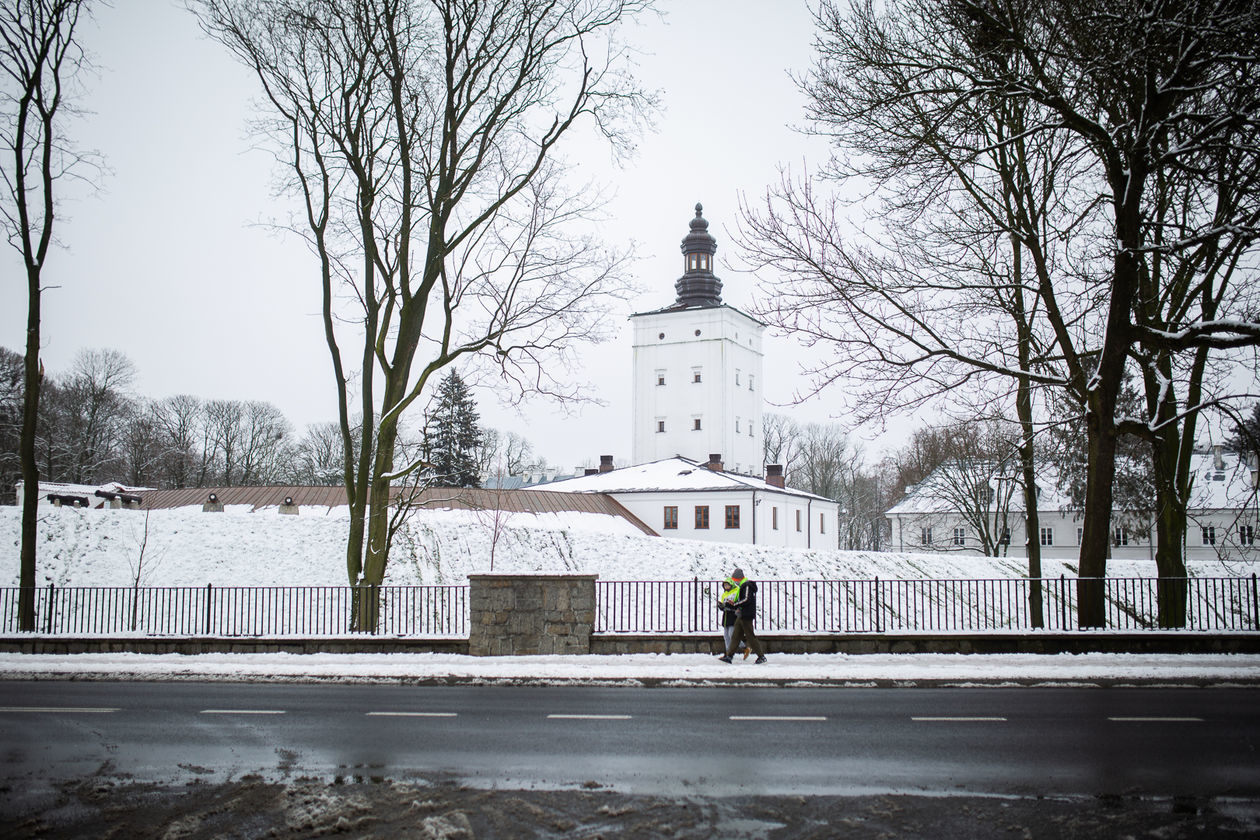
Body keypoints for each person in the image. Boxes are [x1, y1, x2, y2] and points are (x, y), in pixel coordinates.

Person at [719, 567, 766, 664]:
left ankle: (761, 656)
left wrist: (735, 604)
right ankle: (729, 656)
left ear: (738, 579)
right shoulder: (743, 586)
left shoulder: (746, 586)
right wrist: (733, 605)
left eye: (735, 580)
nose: (735, 582)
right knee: (735, 636)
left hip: (746, 615)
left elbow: (746, 600)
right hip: (740, 615)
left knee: (750, 636)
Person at [717, 580, 746, 656]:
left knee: (732, 634)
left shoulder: (736, 591)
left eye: (727, 585)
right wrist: (721, 606)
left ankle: (744, 647)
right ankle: (728, 652)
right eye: (725, 585)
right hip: (726, 616)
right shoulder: (724, 594)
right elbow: (724, 605)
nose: (726, 587)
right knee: (726, 636)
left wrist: (729, 605)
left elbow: (735, 604)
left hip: (733, 615)